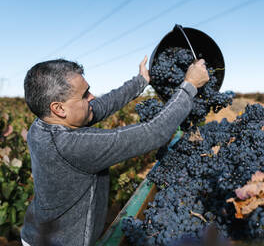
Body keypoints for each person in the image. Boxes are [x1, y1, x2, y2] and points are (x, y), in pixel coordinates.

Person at [21, 56, 209, 246]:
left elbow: (99, 107)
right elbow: (153, 132)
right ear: (59, 108)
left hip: (35, 233)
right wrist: (189, 86)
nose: (92, 97)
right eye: (85, 95)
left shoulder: (41, 125)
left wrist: (140, 81)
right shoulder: (72, 146)